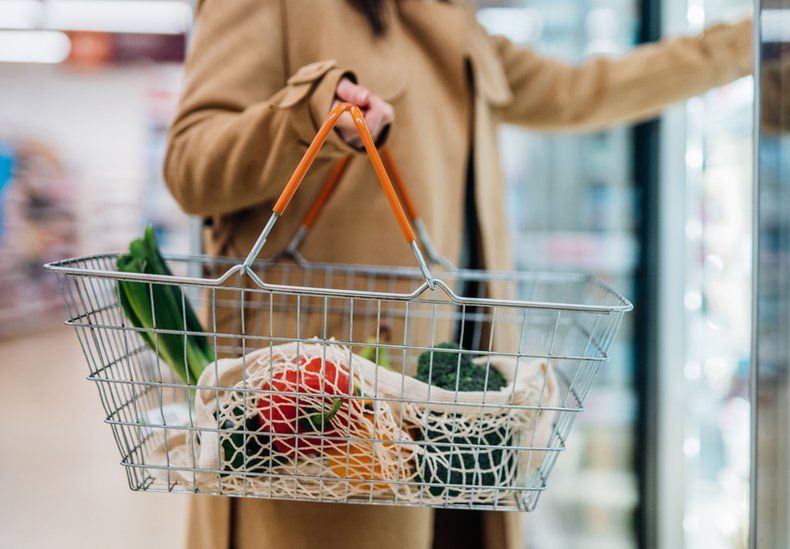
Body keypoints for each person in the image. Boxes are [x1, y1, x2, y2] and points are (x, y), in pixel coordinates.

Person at [164, 1, 751, 548]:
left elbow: (581, 92)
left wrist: (747, 42)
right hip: (323, 425)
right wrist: (310, 113)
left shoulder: (448, 18)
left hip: (462, 420)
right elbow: (190, 166)